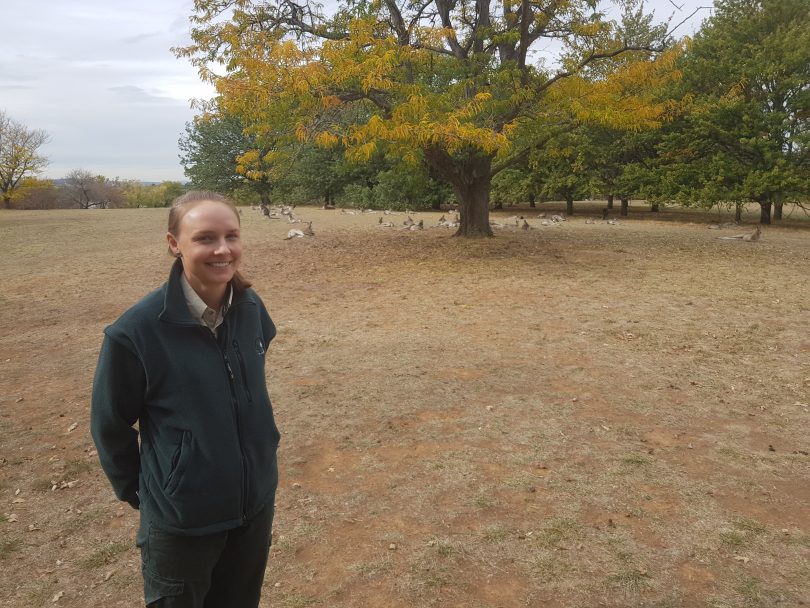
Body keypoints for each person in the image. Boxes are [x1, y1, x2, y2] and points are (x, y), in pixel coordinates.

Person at [91, 191, 281, 607]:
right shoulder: (136, 332)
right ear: (174, 244)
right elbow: (110, 424)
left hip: (253, 508)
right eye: (205, 238)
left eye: (232, 236)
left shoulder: (250, 307)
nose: (222, 249)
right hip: (183, 524)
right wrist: (148, 492)